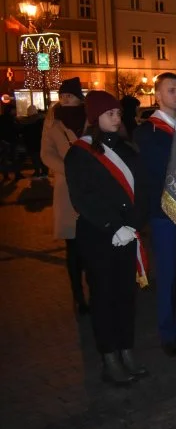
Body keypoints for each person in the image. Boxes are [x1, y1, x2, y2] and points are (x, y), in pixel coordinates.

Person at [64, 91, 148, 386]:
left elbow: (142, 191)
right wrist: (114, 226)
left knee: (126, 297)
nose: (116, 118)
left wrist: (134, 224)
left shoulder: (128, 149)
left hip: (128, 234)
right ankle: (109, 357)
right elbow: (83, 198)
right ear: (95, 118)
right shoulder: (79, 153)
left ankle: (126, 350)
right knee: (103, 298)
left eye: (117, 113)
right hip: (100, 236)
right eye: (110, 113)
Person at [134, 72, 176, 356]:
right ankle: (167, 332)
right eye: (171, 90)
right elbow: (157, 169)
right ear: (157, 96)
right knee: (168, 273)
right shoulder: (147, 131)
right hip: (165, 212)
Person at [41, 77, 88, 313]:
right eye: (62, 95)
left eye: (69, 95)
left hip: (91, 188)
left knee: (92, 244)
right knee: (73, 246)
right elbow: (46, 154)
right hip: (67, 190)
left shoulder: (90, 118)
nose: (64, 99)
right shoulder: (53, 121)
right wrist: (67, 169)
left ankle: (95, 288)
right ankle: (78, 296)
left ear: (79, 96)